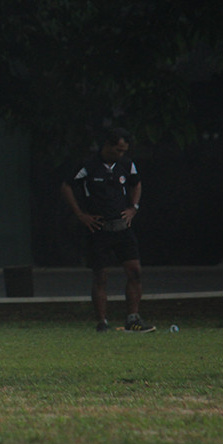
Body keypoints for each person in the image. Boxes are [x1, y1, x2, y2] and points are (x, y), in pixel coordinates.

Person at [60, 127, 154, 333]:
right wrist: (80, 214)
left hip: (122, 227)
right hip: (99, 228)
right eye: (117, 150)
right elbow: (67, 186)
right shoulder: (89, 165)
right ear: (108, 145)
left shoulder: (126, 164)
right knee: (101, 275)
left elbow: (136, 184)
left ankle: (133, 318)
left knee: (135, 271)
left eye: (123, 151)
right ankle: (102, 322)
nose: (120, 154)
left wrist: (133, 208)